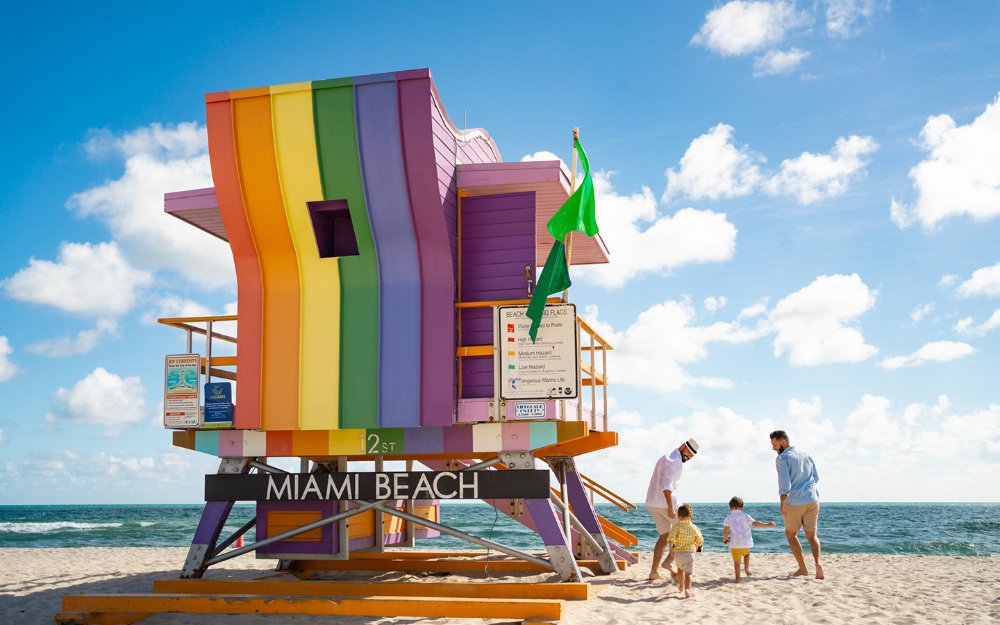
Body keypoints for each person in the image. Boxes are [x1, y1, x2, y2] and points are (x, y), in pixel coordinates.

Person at [770, 430, 823, 579]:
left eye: (775, 444)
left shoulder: (782, 458)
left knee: (791, 534)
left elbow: (785, 483)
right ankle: (818, 564)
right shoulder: (807, 455)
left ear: (784, 442)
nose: (773, 448)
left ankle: (803, 569)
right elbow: (816, 477)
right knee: (812, 536)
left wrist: (782, 502)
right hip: (813, 499)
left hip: (795, 501)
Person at [644, 438, 699, 581]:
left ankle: (653, 573)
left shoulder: (666, 458)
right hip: (665, 503)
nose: (690, 457)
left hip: (652, 502)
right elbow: (666, 485)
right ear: (683, 448)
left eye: (692, 456)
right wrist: (670, 507)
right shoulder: (674, 461)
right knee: (685, 529)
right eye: (690, 454)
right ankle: (668, 561)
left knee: (664, 537)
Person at [722, 495, 775, 582]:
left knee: (737, 563)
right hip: (746, 543)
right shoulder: (745, 516)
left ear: (730, 507)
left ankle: (738, 579)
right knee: (746, 555)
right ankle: (746, 569)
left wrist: (725, 539)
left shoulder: (728, 518)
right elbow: (755, 523)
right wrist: (767, 524)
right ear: (742, 507)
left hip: (735, 544)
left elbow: (726, 530)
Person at [667, 504, 703, 598]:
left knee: (680, 570)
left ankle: (681, 586)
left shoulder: (676, 527)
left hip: (678, 553)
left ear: (678, 516)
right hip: (690, 553)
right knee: (688, 574)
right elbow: (700, 540)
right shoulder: (694, 528)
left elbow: (671, 538)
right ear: (690, 516)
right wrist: (697, 548)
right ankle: (687, 589)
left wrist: (671, 549)